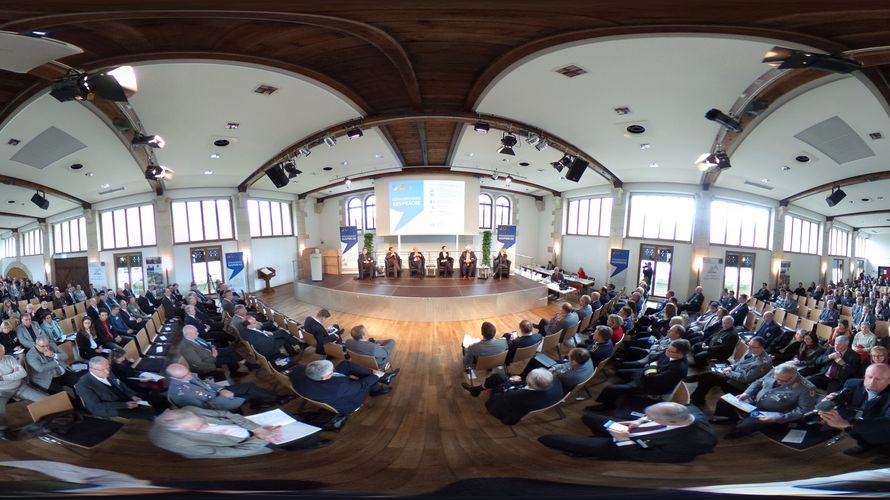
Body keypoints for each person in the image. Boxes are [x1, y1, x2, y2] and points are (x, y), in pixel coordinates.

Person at [538, 402, 717, 462]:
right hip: (628, 430)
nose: (648, 417)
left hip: (625, 446)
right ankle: (597, 438)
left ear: (670, 422)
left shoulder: (687, 444)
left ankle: (590, 451)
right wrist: (639, 420)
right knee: (589, 418)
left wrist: (623, 440)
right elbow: (649, 417)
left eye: (652, 417)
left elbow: (640, 456)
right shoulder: (687, 409)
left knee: (552, 439)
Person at [713, 364, 818, 439]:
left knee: (744, 426)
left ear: (794, 376)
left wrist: (777, 418)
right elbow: (758, 382)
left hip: (770, 412)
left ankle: (737, 433)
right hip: (754, 401)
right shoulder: (776, 370)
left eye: (783, 381)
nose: (778, 382)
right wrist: (747, 393)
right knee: (724, 401)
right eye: (777, 379)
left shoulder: (806, 388)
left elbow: (803, 410)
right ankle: (732, 418)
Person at [586, 339, 690, 411]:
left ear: (680, 354)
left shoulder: (678, 369)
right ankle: (626, 390)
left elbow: (655, 379)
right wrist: (653, 366)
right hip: (646, 374)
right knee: (620, 372)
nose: (666, 351)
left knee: (610, 388)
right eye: (668, 348)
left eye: (670, 351)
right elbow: (656, 358)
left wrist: (652, 367)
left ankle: (608, 405)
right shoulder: (671, 352)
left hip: (650, 385)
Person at [818, 363, 890, 456]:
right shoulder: (852, 383)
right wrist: (827, 401)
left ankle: (886, 451)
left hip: (882, 425)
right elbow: (840, 396)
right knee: (850, 421)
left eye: (878, 379)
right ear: (864, 376)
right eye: (869, 377)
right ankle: (865, 444)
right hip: (861, 420)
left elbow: (886, 422)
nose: (872, 382)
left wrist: (846, 423)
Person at [290, 359, 398, 414]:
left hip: (320, 386)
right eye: (332, 371)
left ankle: (382, 378)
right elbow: (360, 384)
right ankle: (377, 386)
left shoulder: (297, 370)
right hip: (349, 402)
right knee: (368, 380)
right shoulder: (339, 387)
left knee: (345, 364)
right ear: (325, 378)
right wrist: (375, 376)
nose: (334, 369)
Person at [687, 336, 773, 406]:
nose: (749, 347)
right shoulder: (752, 350)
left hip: (741, 384)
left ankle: (689, 380)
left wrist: (728, 372)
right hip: (734, 375)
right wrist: (731, 367)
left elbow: (745, 379)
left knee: (710, 375)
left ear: (761, 348)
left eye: (752, 346)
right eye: (748, 344)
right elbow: (740, 363)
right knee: (708, 379)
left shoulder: (763, 363)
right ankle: (697, 399)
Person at [165, 364, 278, 411]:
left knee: (250, 386)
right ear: (174, 378)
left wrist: (221, 389)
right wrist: (222, 396)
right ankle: (276, 398)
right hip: (217, 404)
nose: (190, 376)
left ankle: (261, 401)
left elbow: (205, 383)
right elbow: (204, 409)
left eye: (188, 372)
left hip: (217, 393)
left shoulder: (186, 375)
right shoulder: (182, 395)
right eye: (185, 376)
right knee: (250, 393)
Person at [75, 356, 156, 419]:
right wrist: (125, 405)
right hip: (109, 407)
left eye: (108, 368)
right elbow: (97, 405)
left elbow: (122, 385)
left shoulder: (108, 371)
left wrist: (132, 395)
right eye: (102, 370)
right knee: (146, 414)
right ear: (92, 370)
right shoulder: (83, 385)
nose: (107, 372)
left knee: (155, 398)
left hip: (123, 397)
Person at [481, 368, 563, 425]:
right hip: (540, 403)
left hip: (508, 415)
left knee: (498, 379)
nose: (526, 377)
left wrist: (510, 381)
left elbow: (497, 394)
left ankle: (481, 387)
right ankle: (480, 388)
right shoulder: (556, 382)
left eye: (527, 377)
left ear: (529, 384)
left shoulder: (514, 396)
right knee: (501, 377)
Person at [0, 344, 47, 440]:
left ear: (3, 352)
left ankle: (49, 421)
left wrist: (3, 377)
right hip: (2, 391)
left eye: (0, 352)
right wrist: (13, 373)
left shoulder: (9, 358)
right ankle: (2, 431)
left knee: (44, 399)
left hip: (20, 387)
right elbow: (17, 373)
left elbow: (22, 373)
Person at [179, 325, 250, 377]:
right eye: (195, 332)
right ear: (188, 334)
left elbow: (204, 344)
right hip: (208, 362)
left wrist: (212, 347)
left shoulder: (192, 337)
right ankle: (235, 373)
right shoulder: (186, 348)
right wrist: (213, 356)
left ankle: (246, 365)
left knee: (230, 350)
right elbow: (200, 364)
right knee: (230, 358)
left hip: (210, 352)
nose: (198, 333)